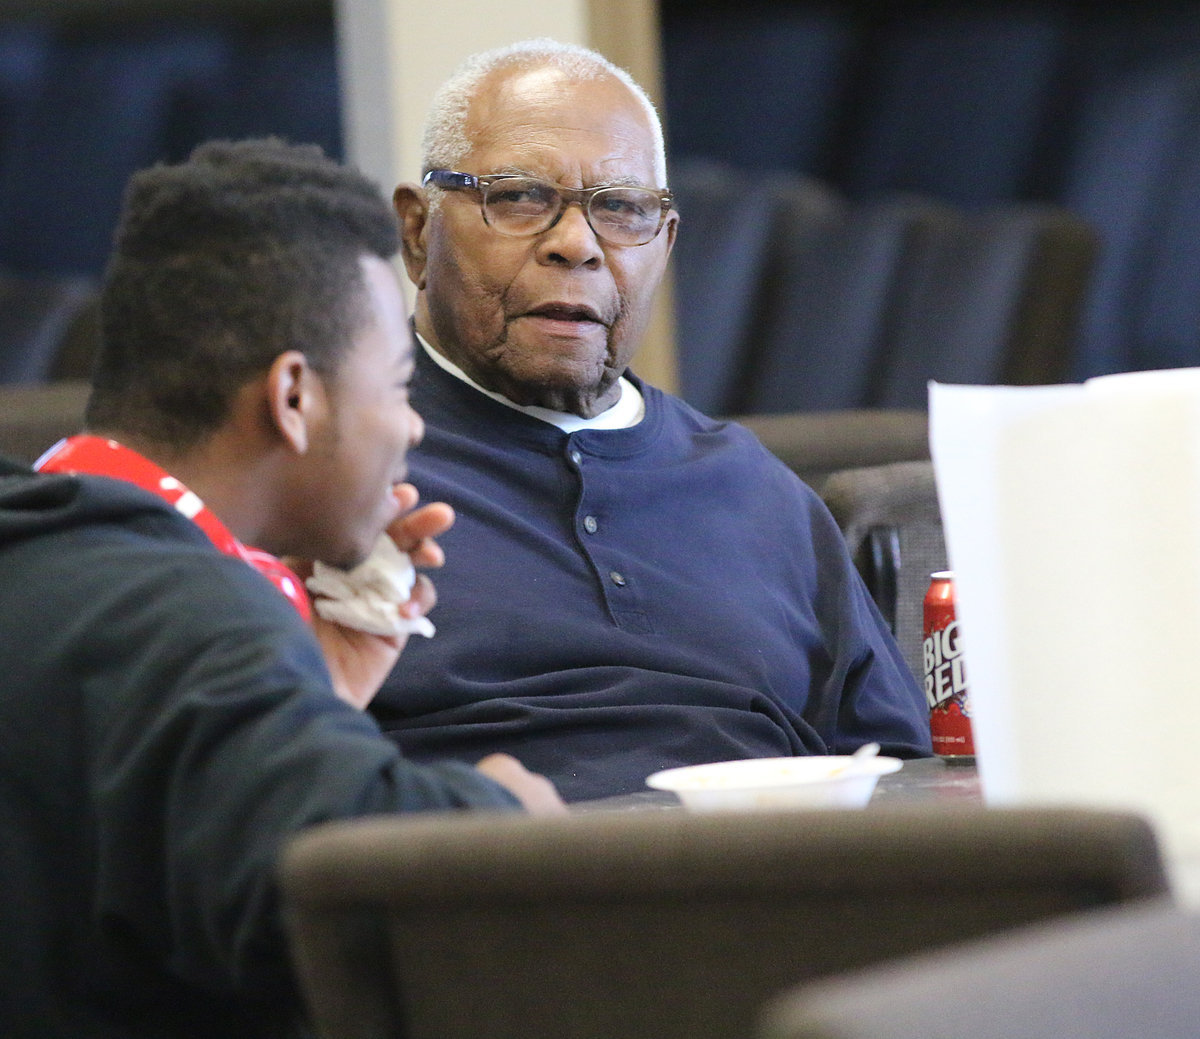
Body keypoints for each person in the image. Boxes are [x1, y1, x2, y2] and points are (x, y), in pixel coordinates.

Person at [0, 138, 562, 1039]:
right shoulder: (181, 617)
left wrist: (311, 691)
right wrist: (506, 811)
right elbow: (351, 889)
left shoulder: (54, 557)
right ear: (294, 397)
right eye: (400, 383)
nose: (413, 424)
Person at [379, 38, 932, 803]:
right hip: (499, 895)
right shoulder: (340, 479)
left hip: (784, 891)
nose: (576, 244)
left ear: (664, 244)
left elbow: (907, 781)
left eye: (622, 210)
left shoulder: (754, 490)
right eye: (518, 197)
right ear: (417, 232)